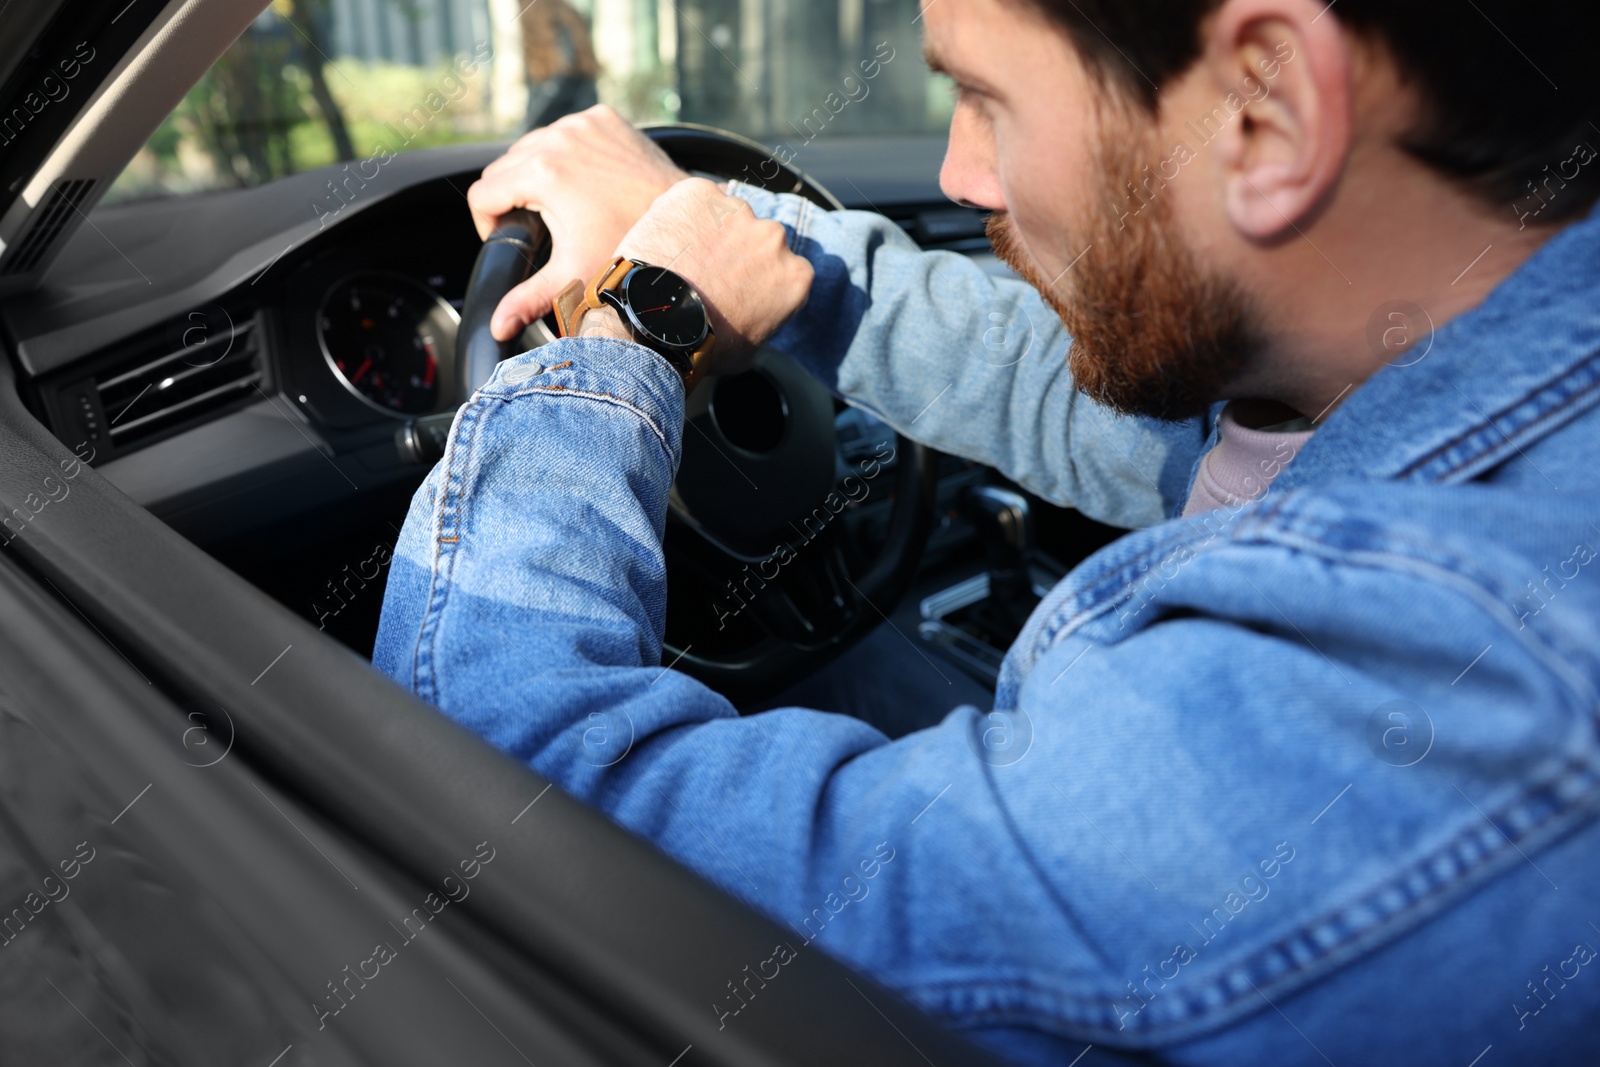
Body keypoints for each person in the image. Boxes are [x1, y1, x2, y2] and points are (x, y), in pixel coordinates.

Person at [374, 0, 1600, 1061]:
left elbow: (502, 796)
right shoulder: (1448, 360)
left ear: (1265, 109)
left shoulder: (1440, 692)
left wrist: (630, 343)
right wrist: (764, 256)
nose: (962, 173)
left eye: (981, 95)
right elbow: (1134, 416)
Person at [517, 0, 599, 133]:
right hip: (581, 126)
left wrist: (527, 129)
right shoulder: (572, 22)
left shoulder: (558, 31)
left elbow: (558, 83)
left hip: (565, 131)